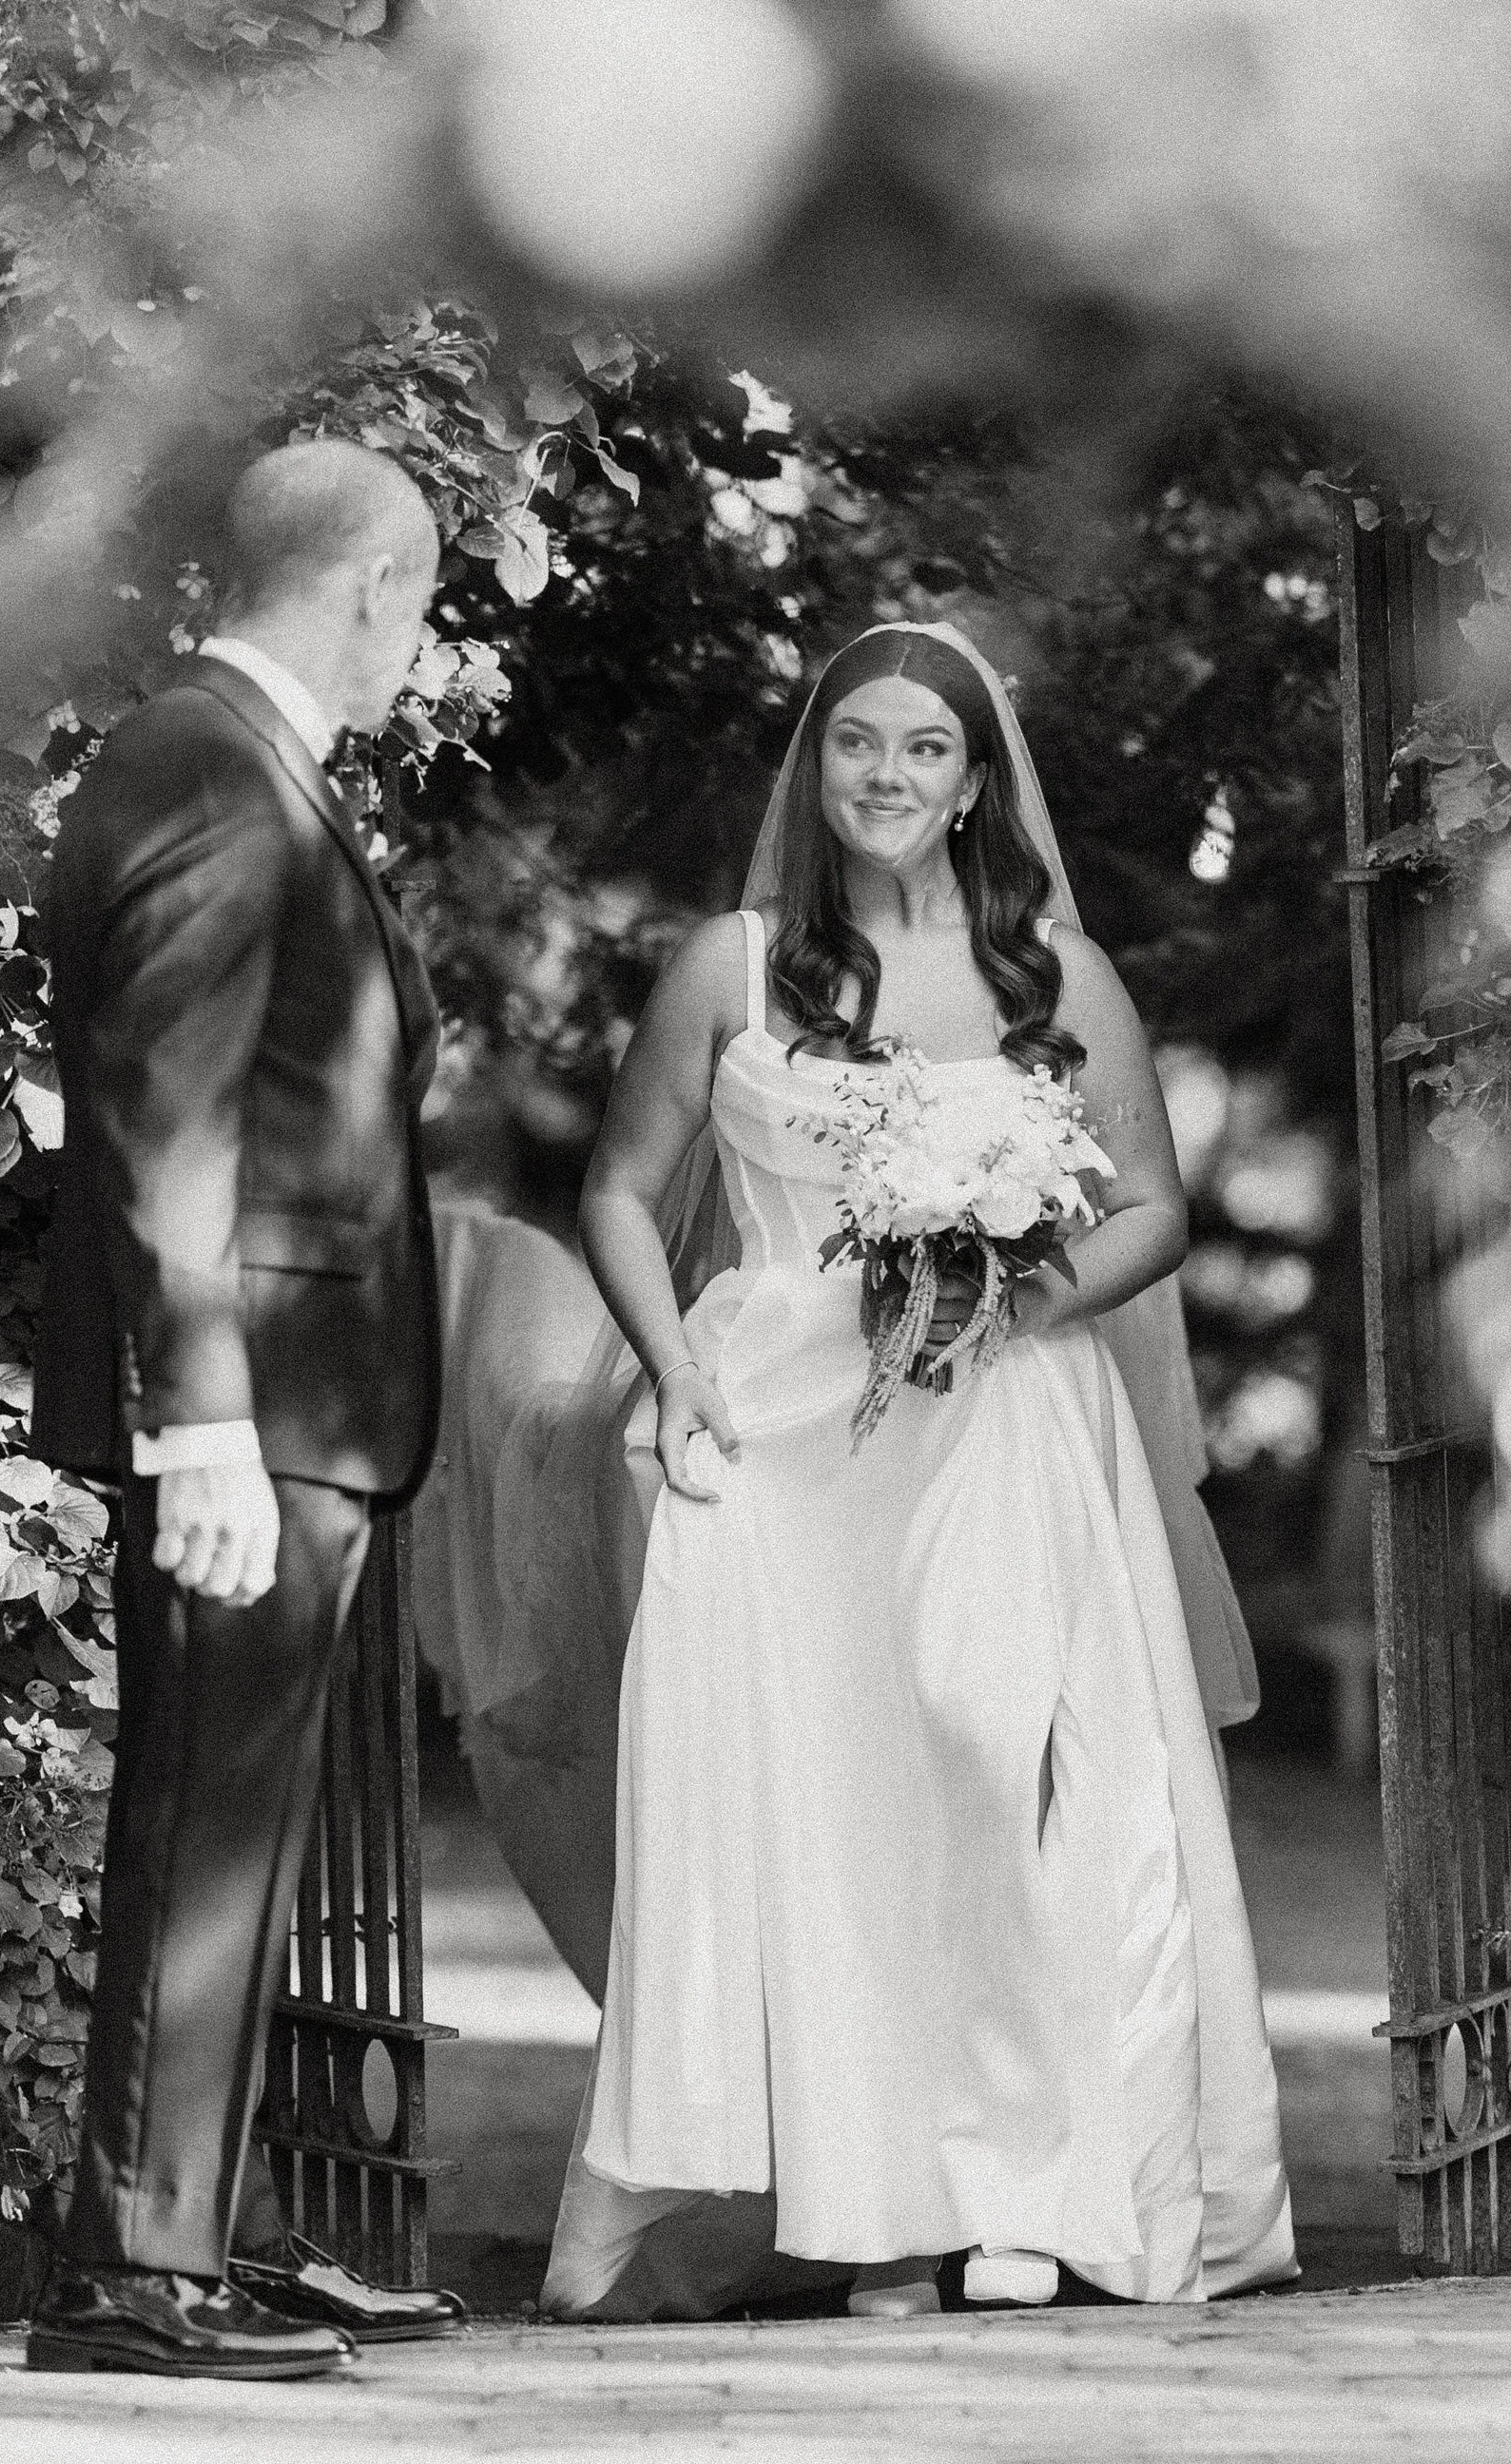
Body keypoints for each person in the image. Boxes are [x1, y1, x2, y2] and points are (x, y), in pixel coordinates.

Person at [430, 621, 1295, 2321]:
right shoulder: (733, 965)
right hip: (776, 1432)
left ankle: (1024, 2186)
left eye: (923, 748)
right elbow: (621, 1189)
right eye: (855, 742)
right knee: (815, 1813)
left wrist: (1021, 1296)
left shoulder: (1055, 975)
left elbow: (1152, 1209)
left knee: (990, 1760)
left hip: (1000, 1420)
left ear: (975, 784)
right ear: (814, 763)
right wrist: (676, 1374)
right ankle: (877, 2220)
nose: (884, 775)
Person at [27, 439, 464, 2377]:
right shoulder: (212, 768)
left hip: (300, 1396)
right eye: (420, 608)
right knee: (204, 1826)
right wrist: (197, 1415)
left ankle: (204, 2230)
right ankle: (133, 2272)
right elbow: (169, 1108)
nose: (415, 644)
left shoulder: (232, 757)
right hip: (255, 1400)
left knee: (242, 1827)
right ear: (371, 586)